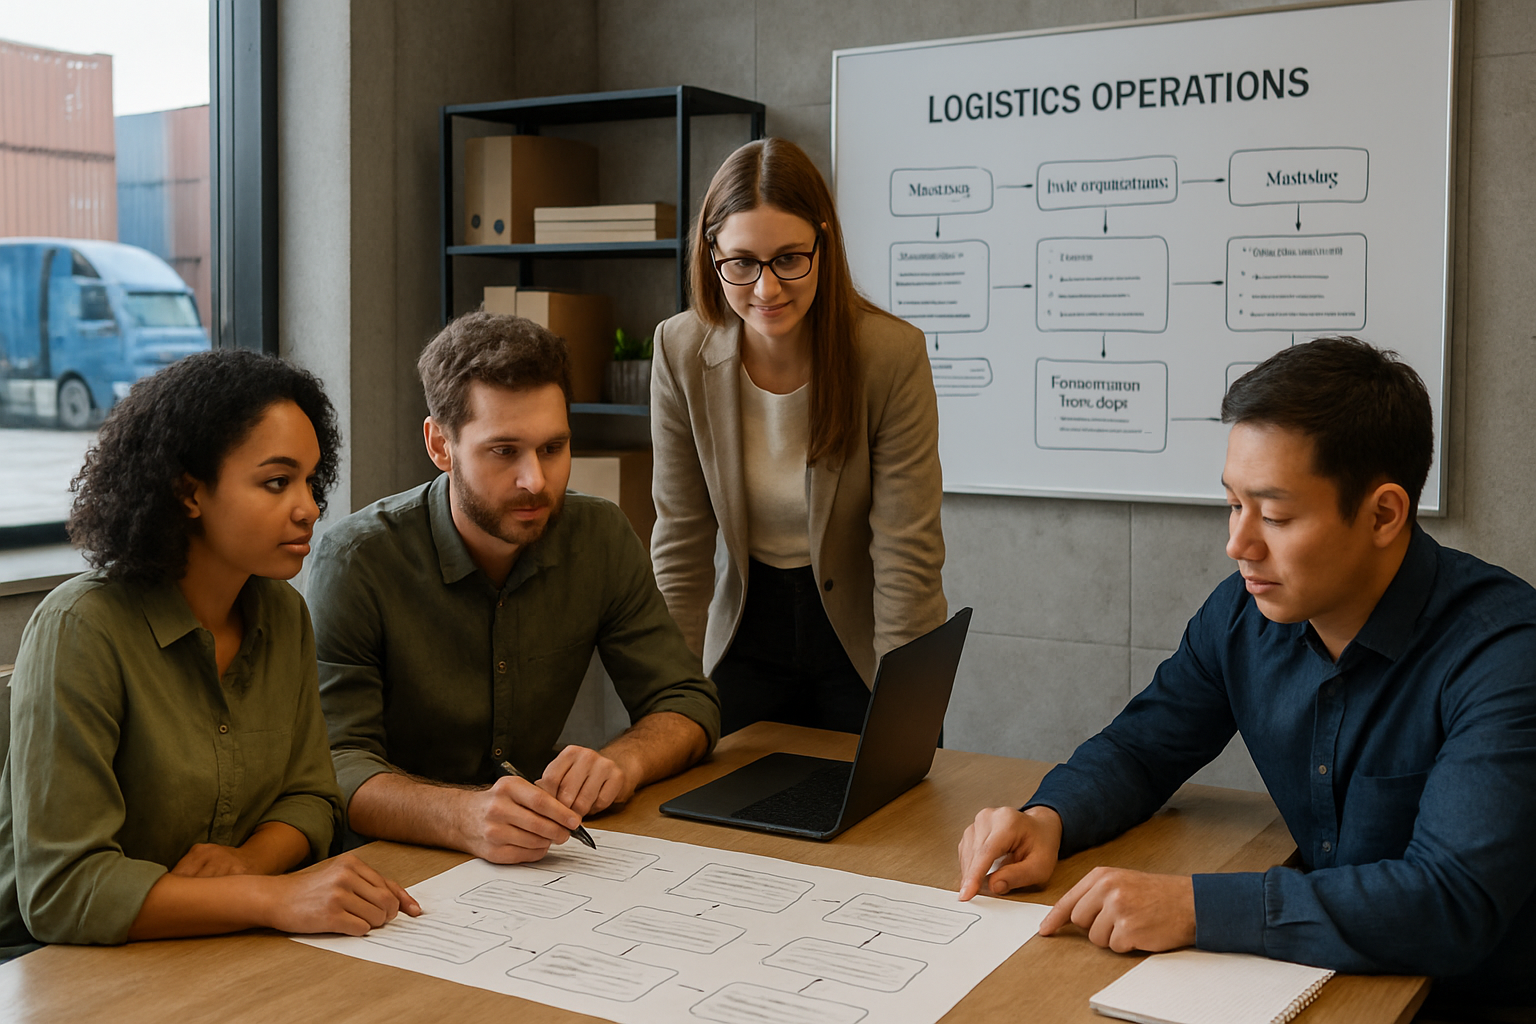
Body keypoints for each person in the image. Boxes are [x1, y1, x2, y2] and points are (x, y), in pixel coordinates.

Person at [956, 337, 1536, 1010]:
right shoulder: (1244, 613)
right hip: (1321, 977)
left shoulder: (1504, 653)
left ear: (1384, 514)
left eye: (1277, 514)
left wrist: (1195, 906)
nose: (1238, 545)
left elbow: (1450, 903)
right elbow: (1142, 748)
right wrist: (1050, 817)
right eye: (1234, 504)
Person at [0, 350, 418, 961]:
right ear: (188, 492)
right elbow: (62, 891)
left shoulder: (283, 615)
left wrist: (249, 863)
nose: (309, 506)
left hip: (210, 944)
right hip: (47, 961)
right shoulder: (80, 629)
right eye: (277, 482)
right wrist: (271, 897)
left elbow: (312, 798)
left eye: (310, 479)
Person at [310, 312, 720, 865]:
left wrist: (624, 761)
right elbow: (336, 763)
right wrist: (464, 816)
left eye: (553, 448)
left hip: (533, 854)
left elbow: (686, 701)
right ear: (440, 445)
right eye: (504, 451)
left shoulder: (599, 535)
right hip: (391, 861)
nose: (536, 481)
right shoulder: (356, 562)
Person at [650, 137, 947, 736]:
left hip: (861, 638)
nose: (766, 289)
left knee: (886, 821)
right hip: (743, 630)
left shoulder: (890, 355)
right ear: (711, 254)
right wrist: (665, 698)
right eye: (741, 262)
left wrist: (903, 709)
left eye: (789, 258)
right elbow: (680, 544)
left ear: (823, 242)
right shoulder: (679, 351)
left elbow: (906, 553)